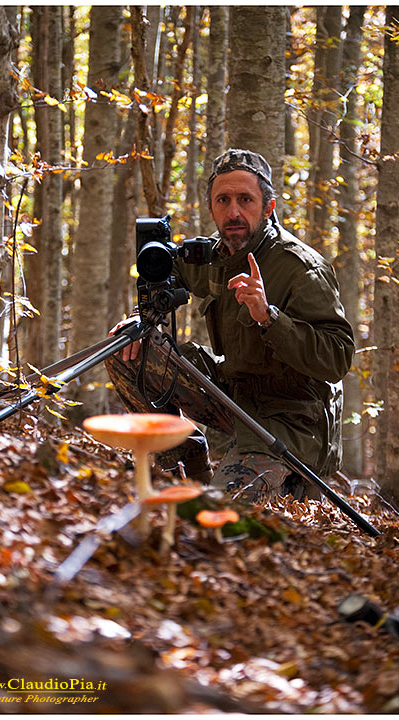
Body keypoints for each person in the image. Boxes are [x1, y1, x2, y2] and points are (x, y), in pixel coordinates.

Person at [106, 149, 354, 504]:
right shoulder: (212, 255)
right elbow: (162, 277)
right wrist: (141, 317)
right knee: (127, 349)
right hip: (234, 394)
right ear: (211, 207)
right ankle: (183, 465)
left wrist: (269, 317)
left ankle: (292, 482)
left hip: (291, 420)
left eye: (245, 200)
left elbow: (337, 359)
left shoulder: (301, 268)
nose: (233, 211)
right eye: (223, 200)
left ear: (267, 207)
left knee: (217, 515)